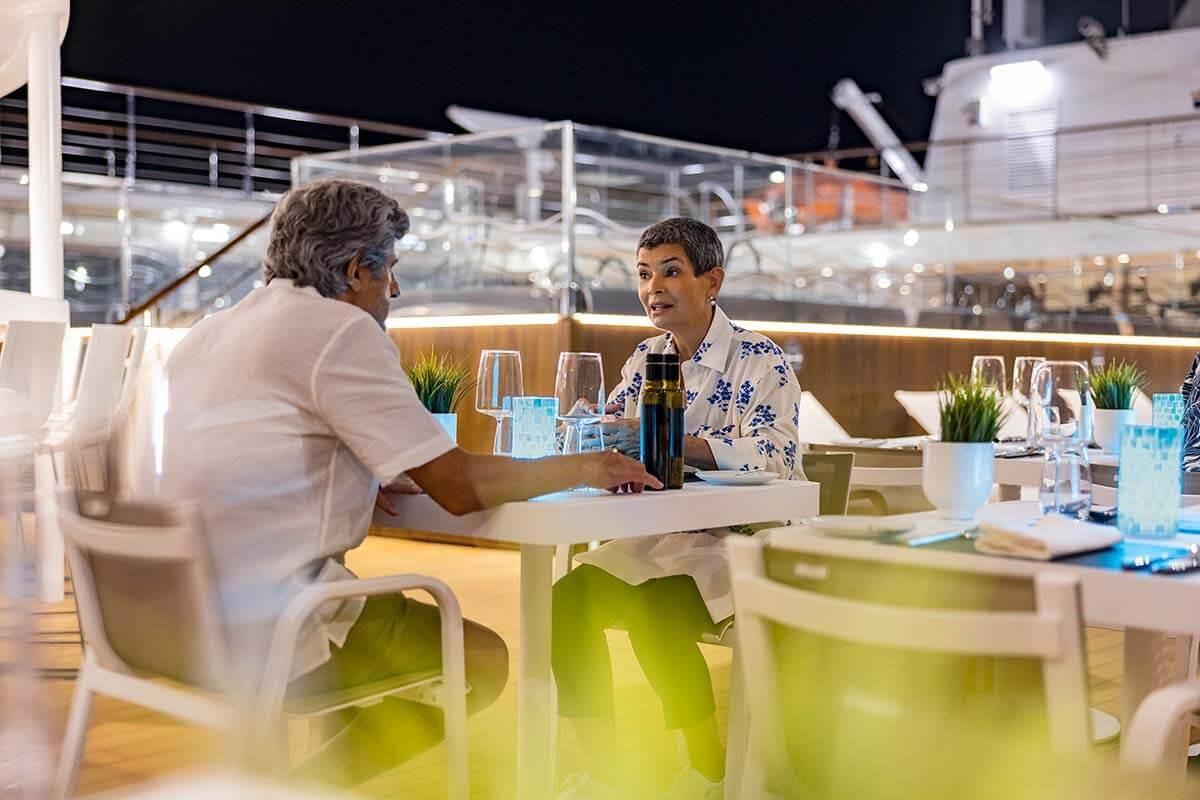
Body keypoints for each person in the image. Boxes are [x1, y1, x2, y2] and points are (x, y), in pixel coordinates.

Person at [161, 178, 658, 788]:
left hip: (172, 620)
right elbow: (458, 486)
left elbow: (240, 452)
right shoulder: (339, 330)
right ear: (354, 270)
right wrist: (588, 465)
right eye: (389, 269)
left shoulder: (207, 333)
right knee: (479, 661)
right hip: (274, 625)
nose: (393, 289)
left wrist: (354, 473)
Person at [551, 218, 803, 800]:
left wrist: (670, 441)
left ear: (712, 281)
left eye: (670, 272)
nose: (653, 288)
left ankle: (709, 771)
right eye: (644, 275)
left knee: (654, 612)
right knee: (567, 601)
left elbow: (777, 454)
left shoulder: (760, 358)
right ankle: (606, 773)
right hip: (658, 535)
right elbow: (614, 430)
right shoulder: (645, 357)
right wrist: (593, 429)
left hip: (741, 541)